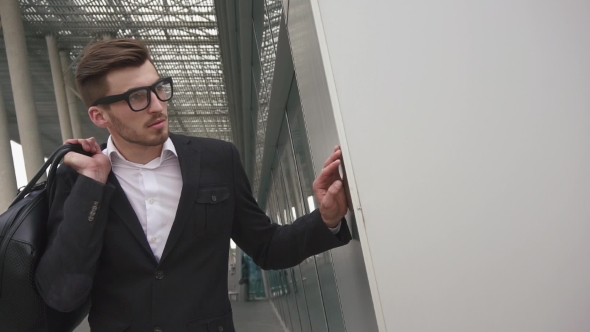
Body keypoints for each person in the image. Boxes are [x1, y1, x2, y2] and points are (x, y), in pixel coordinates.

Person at [35, 38, 351, 331]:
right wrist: (93, 184)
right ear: (98, 116)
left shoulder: (217, 160)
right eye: (136, 98)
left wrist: (326, 218)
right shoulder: (76, 179)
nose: (157, 105)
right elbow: (62, 291)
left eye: (158, 88)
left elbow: (268, 248)